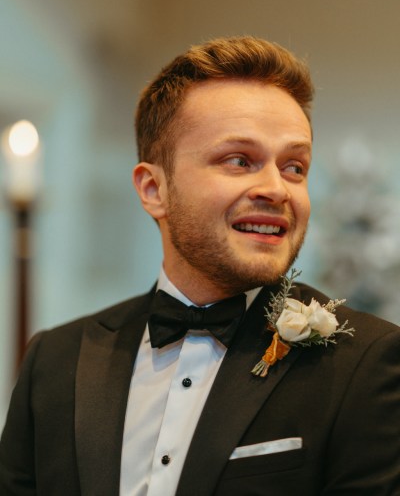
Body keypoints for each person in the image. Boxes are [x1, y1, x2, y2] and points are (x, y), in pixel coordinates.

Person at [0, 36, 399, 496]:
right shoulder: (56, 360)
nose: (277, 189)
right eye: (239, 160)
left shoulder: (367, 361)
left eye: (294, 167)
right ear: (153, 189)